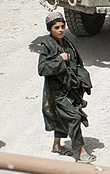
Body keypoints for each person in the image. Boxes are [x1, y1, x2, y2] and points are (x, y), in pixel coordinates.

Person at [38, 10, 94, 162]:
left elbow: (77, 63)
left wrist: (83, 80)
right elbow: (42, 69)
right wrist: (59, 59)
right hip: (56, 92)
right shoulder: (47, 45)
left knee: (60, 116)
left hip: (70, 88)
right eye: (56, 27)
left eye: (62, 26)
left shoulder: (67, 42)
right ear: (50, 29)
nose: (61, 30)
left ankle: (57, 145)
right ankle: (81, 153)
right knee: (74, 117)